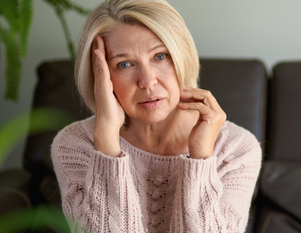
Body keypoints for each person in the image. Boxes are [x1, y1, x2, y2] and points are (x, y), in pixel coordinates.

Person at [50, 0, 262, 232]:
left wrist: (201, 159)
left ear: (182, 57)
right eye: (125, 64)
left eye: (160, 56)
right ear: (100, 76)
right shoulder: (76, 145)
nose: (147, 81)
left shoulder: (235, 149)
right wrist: (107, 144)